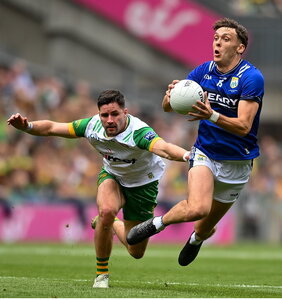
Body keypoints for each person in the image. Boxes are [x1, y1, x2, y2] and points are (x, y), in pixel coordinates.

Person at [7, 89, 190, 288]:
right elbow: (52, 127)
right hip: (112, 176)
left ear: (125, 113)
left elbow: (163, 148)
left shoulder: (139, 132)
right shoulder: (91, 126)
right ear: (99, 115)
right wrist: (27, 126)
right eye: (105, 115)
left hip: (142, 186)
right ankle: (101, 274)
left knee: (135, 251)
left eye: (115, 114)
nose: (109, 120)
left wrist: (187, 156)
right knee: (107, 210)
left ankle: (111, 223)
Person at [127, 17, 264, 267]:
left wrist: (211, 114)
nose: (218, 43)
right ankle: (156, 224)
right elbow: (168, 108)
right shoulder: (203, 71)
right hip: (205, 153)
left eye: (226, 39)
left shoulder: (251, 77)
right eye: (216, 38)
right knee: (198, 207)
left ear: (240, 47)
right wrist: (171, 96)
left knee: (204, 227)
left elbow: (244, 126)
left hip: (238, 162)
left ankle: (196, 239)